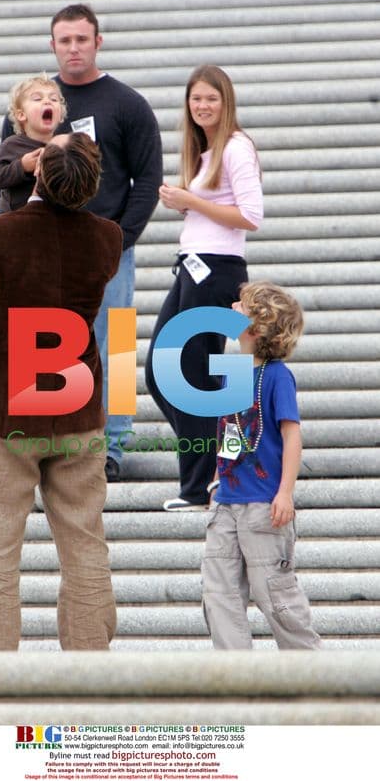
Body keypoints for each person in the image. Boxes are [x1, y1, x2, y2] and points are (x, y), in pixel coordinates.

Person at [0, 133, 122, 651]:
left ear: (38, 172)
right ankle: (90, 667)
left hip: (7, 410)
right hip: (76, 407)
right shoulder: (107, 238)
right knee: (85, 543)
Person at [0, 3, 163, 483]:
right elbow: (4, 180)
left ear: (98, 43)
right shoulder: (31, 104)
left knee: (115, 349)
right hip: (43, 252)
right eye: (64, 40)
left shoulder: (126, 104)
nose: (73, 48)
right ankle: (49, 444)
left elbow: (148, 181)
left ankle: (111, 446)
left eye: (82, 39)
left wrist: (120, 240)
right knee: (47, 348)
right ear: (52, 45)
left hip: (107, 250)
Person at [145, 64, 263, 511]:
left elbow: (252, 216)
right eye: (196, 99)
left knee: (189, 376)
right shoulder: (206, 151)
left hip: (217, 271)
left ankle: (202, 484)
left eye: (211, 98)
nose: (202, 106)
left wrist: (191, 200)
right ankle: (218, 466)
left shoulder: (235, 147)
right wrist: (190, 204)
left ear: (225, 101)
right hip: (192, 268)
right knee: (161, 373)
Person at [202, 281, 322, 650]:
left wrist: (286, 491)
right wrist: (214, 482)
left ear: (254, 328)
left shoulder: (277, 376)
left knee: (276, 595)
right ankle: (237, 681)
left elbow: (291, 435)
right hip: (227, 504)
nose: (232, 305)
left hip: (263, 506)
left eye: (241, 305)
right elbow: (231, 432)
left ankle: (315, 677)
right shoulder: (233, 371)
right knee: (218, 592)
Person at [0, 74, 66, 213]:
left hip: (52, 219)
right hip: (14, 219)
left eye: (54, 99)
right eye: (37, 99)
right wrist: (22, 166)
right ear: (21, 115)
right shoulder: (13, 145)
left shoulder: (64, 145)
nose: (47, 102)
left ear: (60, 115)